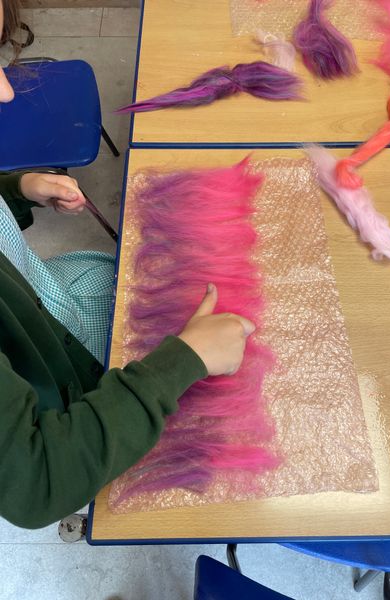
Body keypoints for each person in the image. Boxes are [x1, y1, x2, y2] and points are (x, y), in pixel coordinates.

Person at [0, 0, 255, 529]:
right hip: (64, 402)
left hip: (47, 306)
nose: (5, 91)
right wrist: (183, 362)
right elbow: (37, 481)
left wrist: (20, 189)